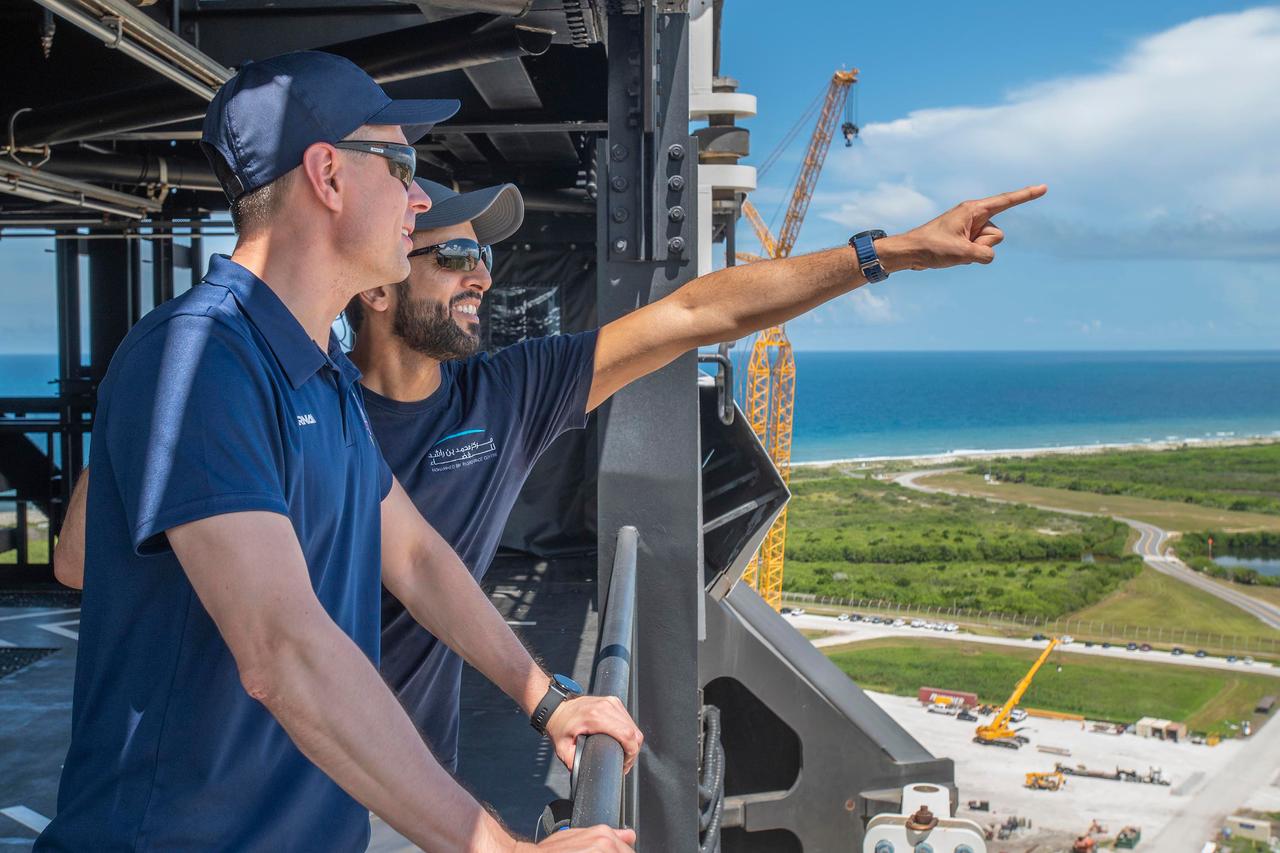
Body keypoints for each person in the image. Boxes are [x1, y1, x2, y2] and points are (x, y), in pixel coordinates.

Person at [58, 172, 1047, 781]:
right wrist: (158, 410)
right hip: (241, 773)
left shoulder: (505, 393)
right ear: (375, 284)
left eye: (484, 258)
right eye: (448, 257)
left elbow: (696, 314)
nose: (481, 276)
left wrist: (886, 253)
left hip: (398, 779)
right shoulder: (274, 396)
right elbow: (80, 566)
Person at [40, 51, 639, 853]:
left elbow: (418, 557)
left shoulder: (317, 372)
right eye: (402, 165)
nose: (419, 198)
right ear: (327, 174)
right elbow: (284, 650)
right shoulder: (201, 357)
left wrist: (548, 700)